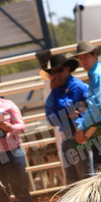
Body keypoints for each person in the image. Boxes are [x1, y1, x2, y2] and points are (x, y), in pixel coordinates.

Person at [42, 53, 92, 184]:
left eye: (59, 70)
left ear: (67, 68)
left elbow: (90, 110)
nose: (56, 75)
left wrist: (72, 115)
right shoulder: (56, 91)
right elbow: (51, 119)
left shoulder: (79, 87)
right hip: (67, 137)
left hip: (80, 135)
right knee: (72, 181)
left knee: (86, 179)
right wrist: (66, 114)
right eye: (54, 72)